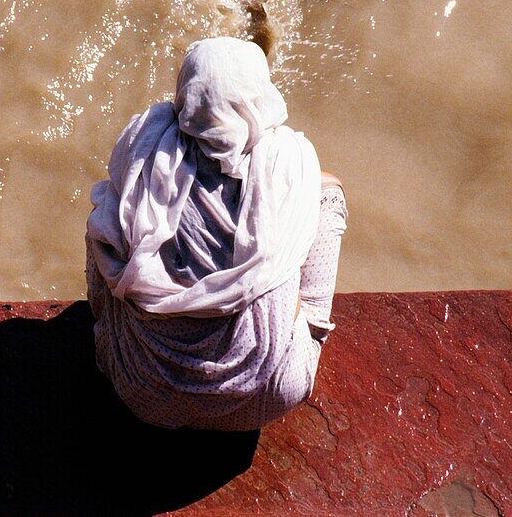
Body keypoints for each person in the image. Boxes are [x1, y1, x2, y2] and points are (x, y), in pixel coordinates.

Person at [86, 37, 347, 430]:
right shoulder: (286, 161)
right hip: (270, 391)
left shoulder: (144, 147)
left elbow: (108, 235)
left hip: (142, 389)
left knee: (110, 206)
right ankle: (306, 320)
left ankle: (115, 324)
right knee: (326, 189)